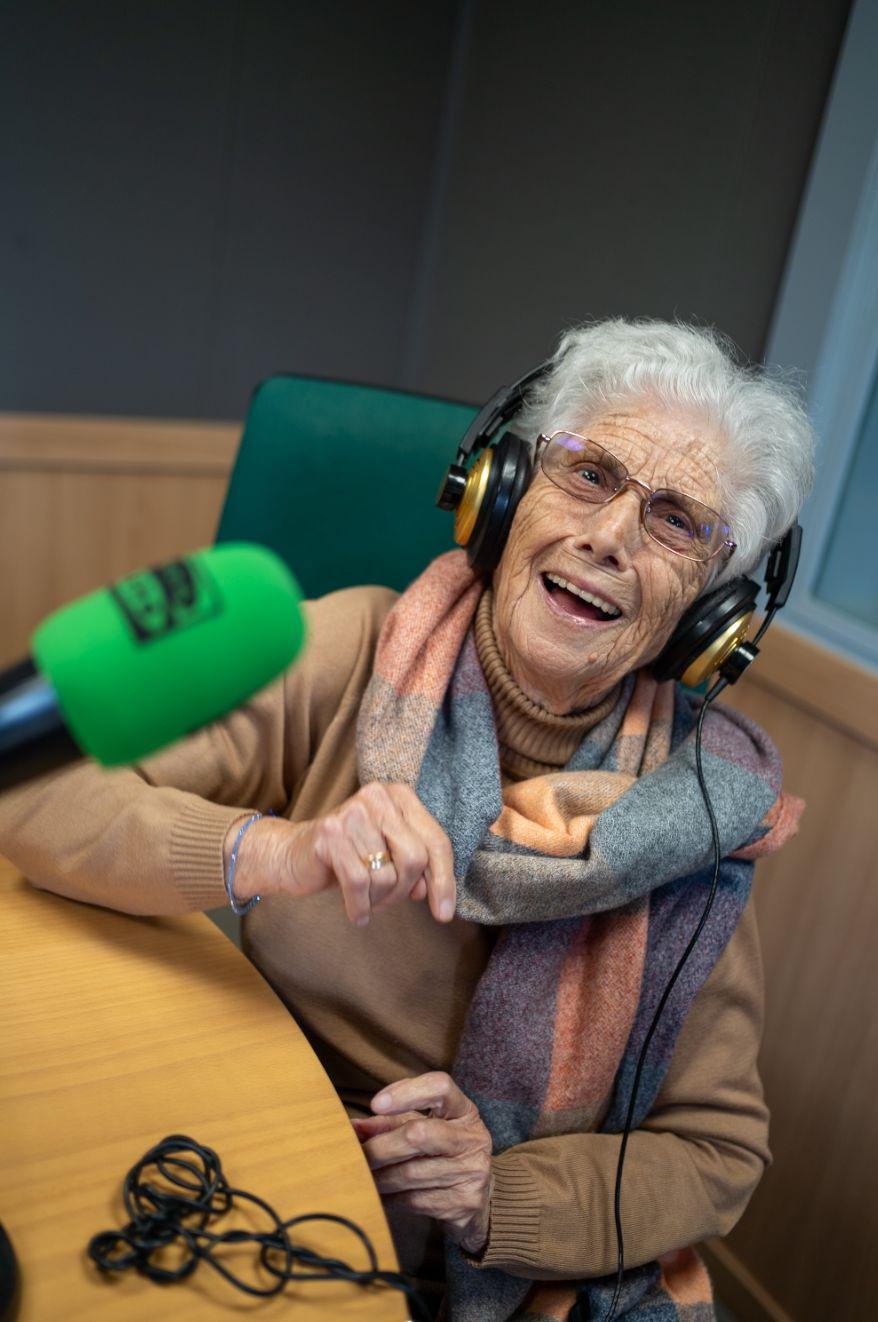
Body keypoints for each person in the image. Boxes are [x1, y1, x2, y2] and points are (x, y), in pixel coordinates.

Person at [0, 319, 814, 1320]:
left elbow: (714, 1151)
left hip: (493, 1265)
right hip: (255, 1156)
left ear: (713, 614)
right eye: (588, 473)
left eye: (677, 519)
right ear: (500, 490)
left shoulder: (701, 819)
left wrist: (495, 1193)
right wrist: (272, 848)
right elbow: (38, 793)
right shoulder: (352, 649)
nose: (608, 537)